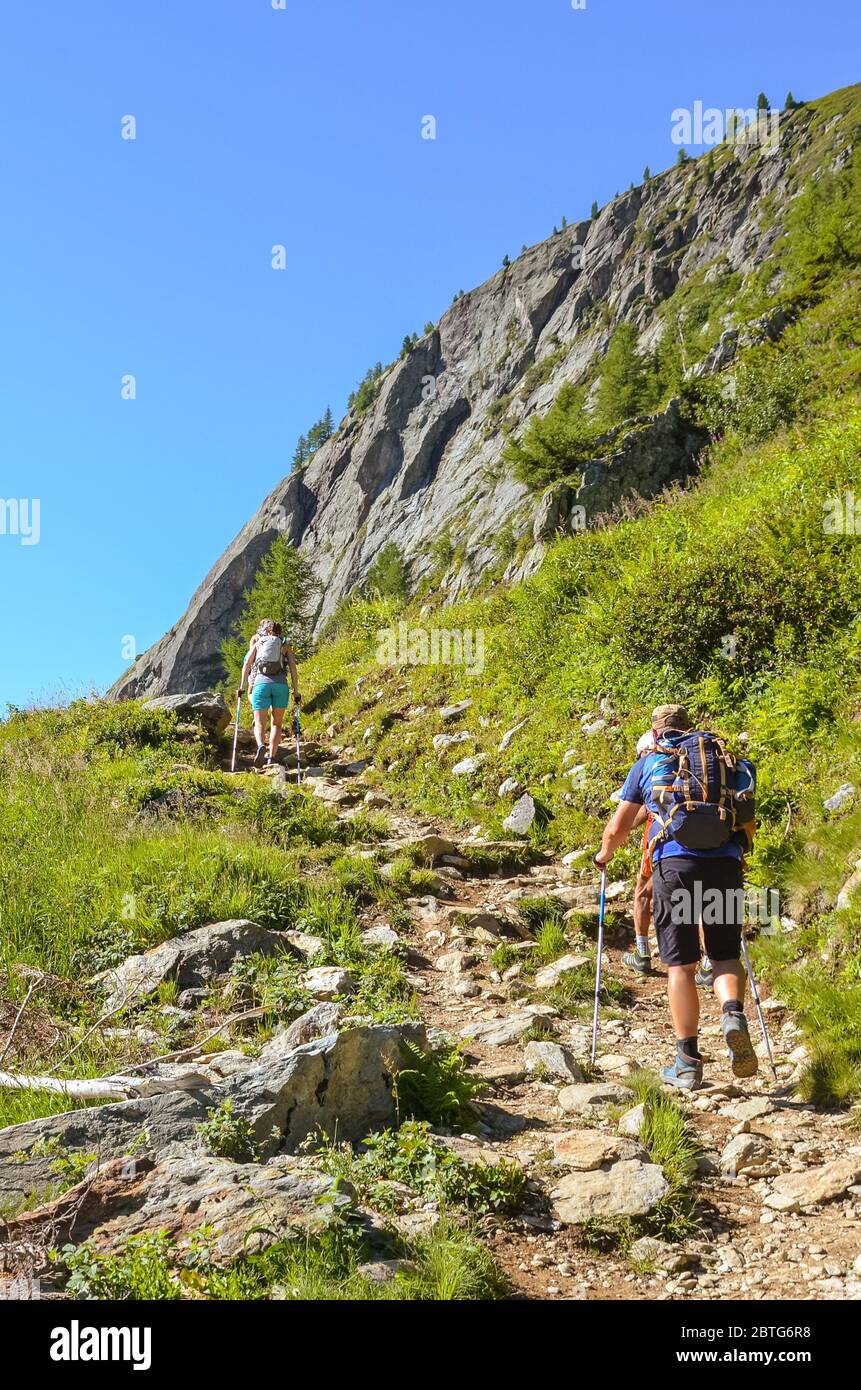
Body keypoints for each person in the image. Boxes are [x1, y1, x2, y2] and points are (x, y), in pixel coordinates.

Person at [594, 704, 757, 1089]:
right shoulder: (729, 762)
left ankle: (687, 1061)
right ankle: (732, 1014)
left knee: (681, 966)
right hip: (725, 866)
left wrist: (603, 856)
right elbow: (747, 821)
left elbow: (617, 827)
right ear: (688, 727)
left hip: (675, 867)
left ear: (657, 731)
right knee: (724, 955)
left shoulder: (651, 762)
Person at [622, 731, 715, 988]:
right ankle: (708, 963)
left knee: (642, 892)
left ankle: (642, 952)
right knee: (698, 899)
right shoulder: (691, 765)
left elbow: (640, 812)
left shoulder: (652, 766)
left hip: (660, 842)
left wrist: (619, 830)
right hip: (700, 839)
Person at [238, 619, 302, 768]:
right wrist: (296, 691)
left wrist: (241, 687)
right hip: (280, 685)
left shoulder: (258, 642)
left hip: (261, 685)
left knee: (260, 722)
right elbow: (293, 668)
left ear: (266, 630)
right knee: (276, 724)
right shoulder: (284, 645)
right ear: (279, 632)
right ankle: (272, 758)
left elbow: (247, 664)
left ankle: (261, 745)